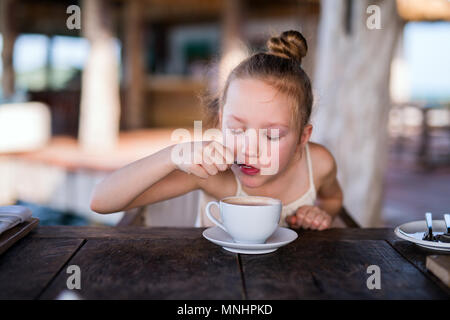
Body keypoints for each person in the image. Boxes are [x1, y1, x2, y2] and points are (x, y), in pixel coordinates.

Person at [90, 30, 343, 230]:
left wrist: (321, 212)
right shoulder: (213, 174)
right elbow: (101, 202)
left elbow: (331, 199)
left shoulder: (319, 164)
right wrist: (173, 155)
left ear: (302, 137)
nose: (249, 149)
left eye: (272, 135)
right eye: (236, 129)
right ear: (221, 122)